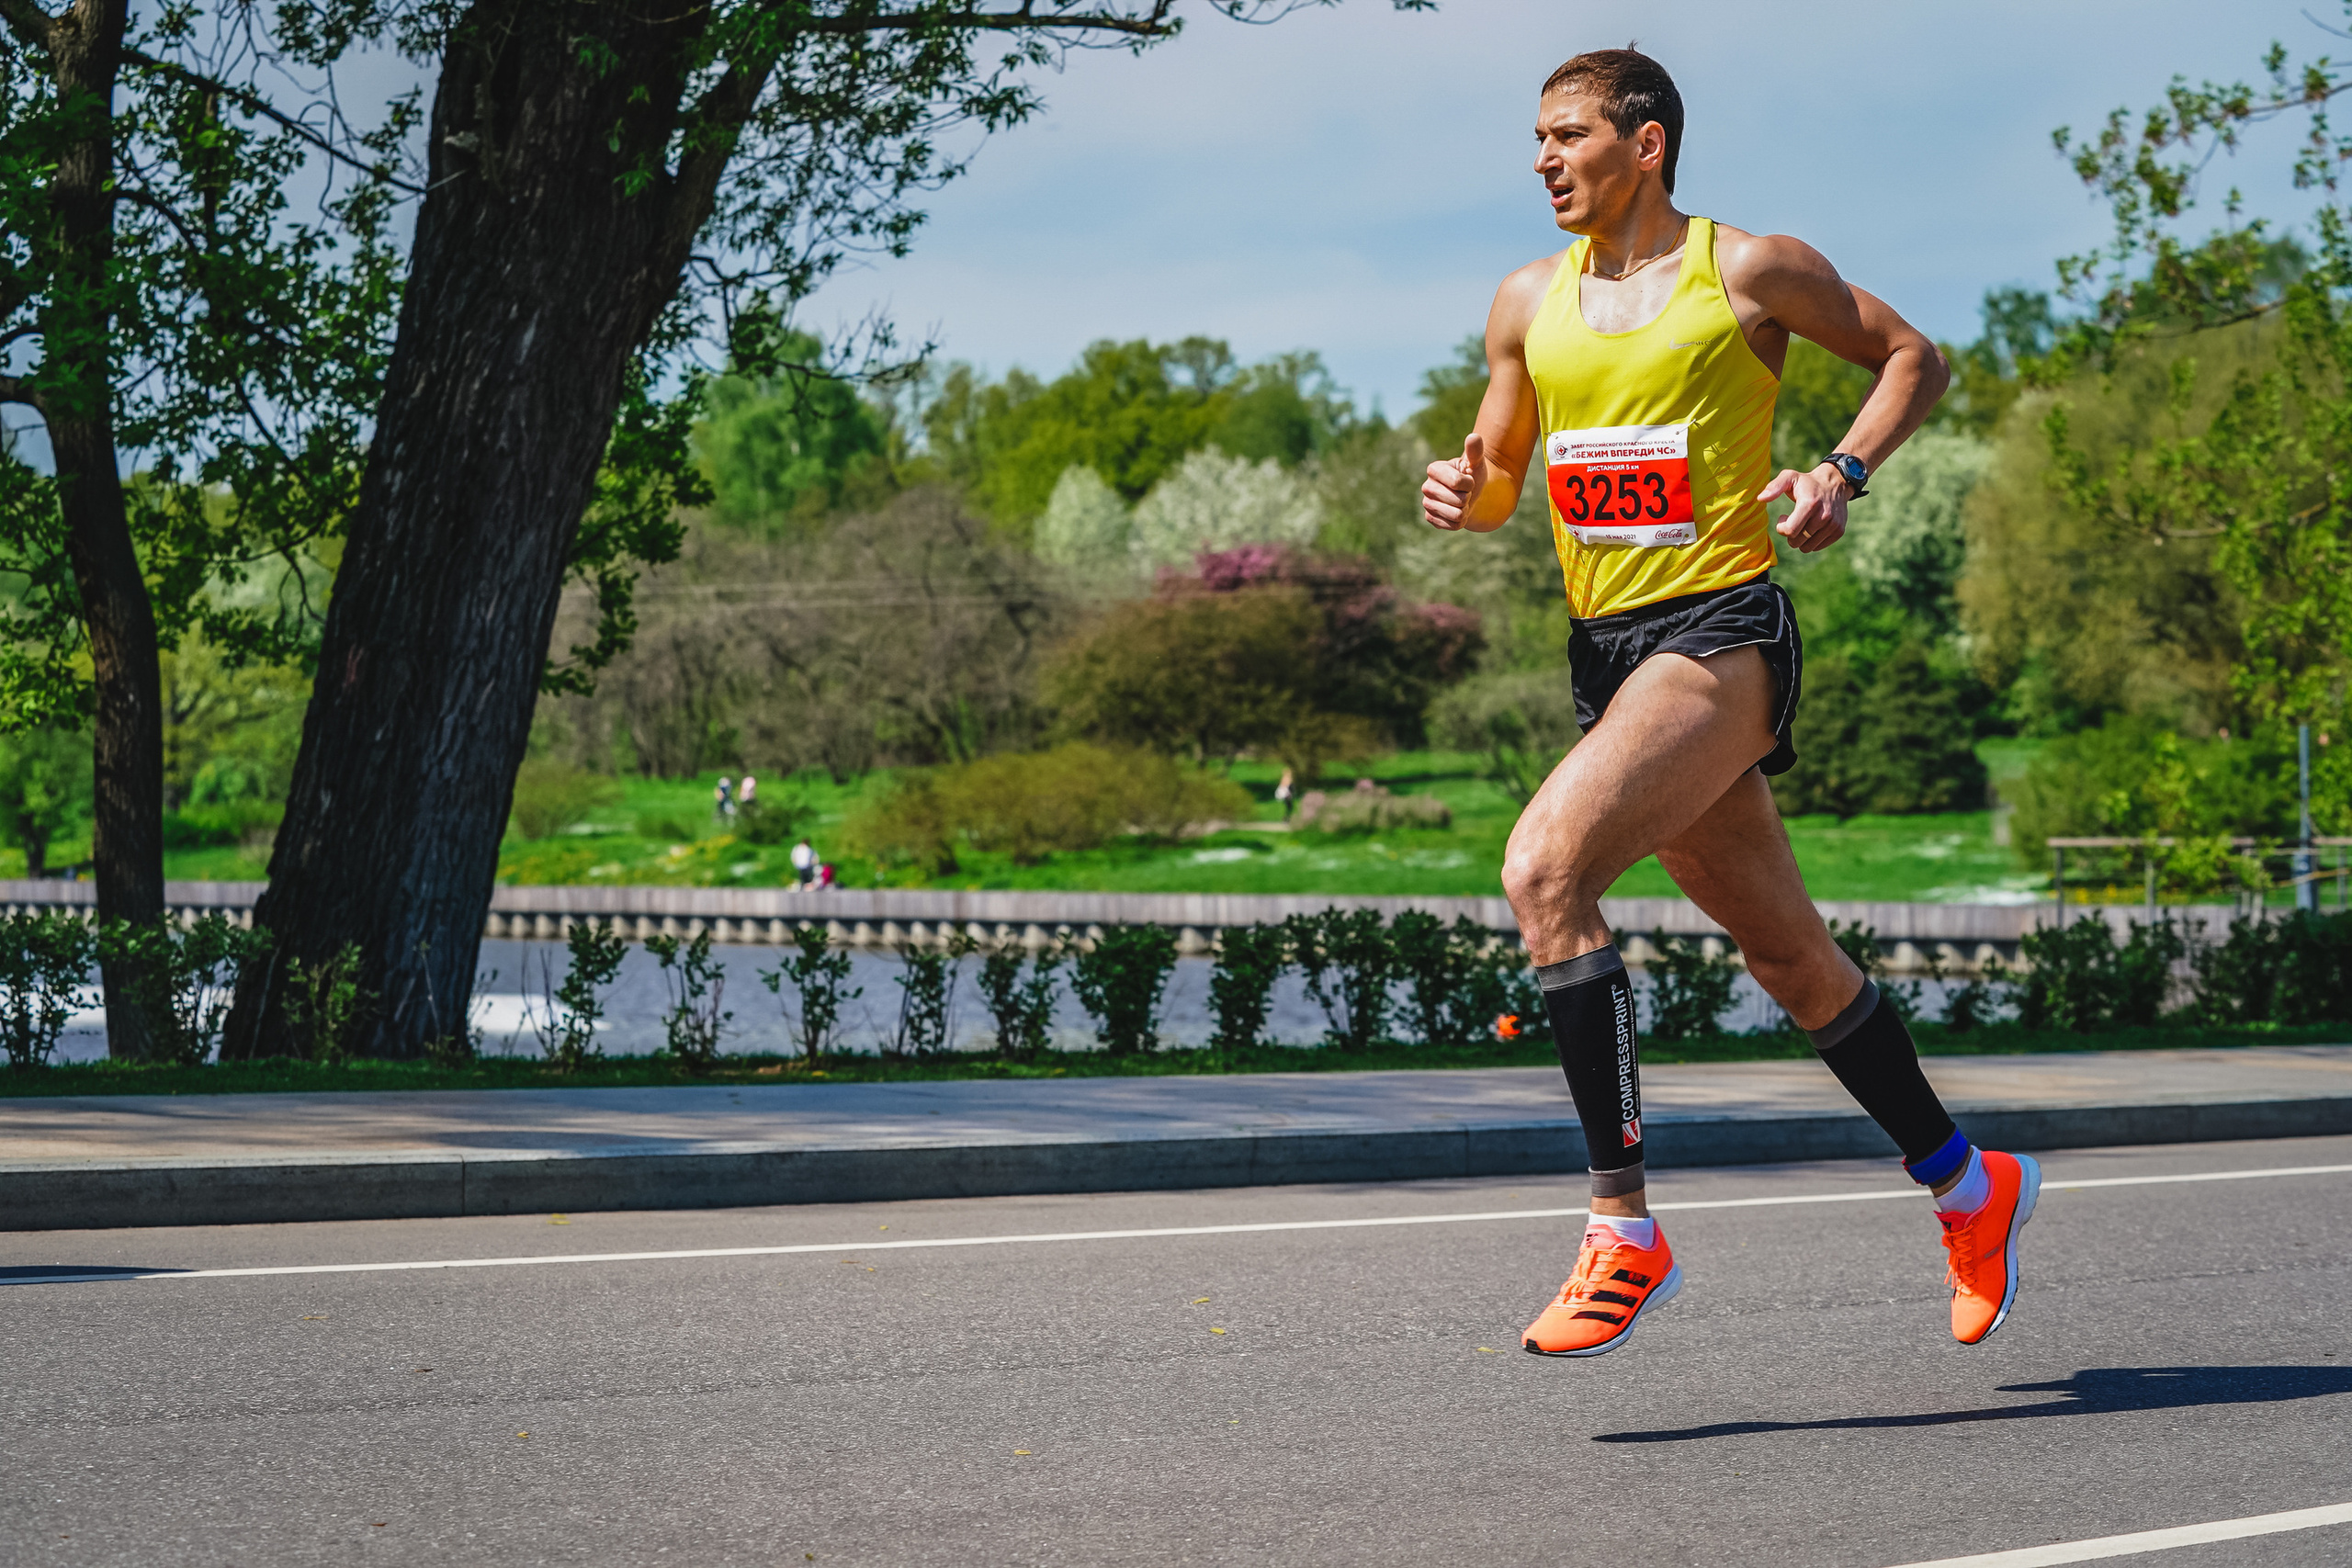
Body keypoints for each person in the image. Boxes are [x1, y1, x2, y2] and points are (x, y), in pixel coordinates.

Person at [1423, 48, 2036, 1359]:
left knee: (1542, 871)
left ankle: (1623, 1231)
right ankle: (1971, 1186)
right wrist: (1461, 489)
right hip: (1610, 656)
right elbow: (1499, 473)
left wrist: (1841, 471)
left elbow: (1913, 357)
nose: (1542, 158)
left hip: (1721, 639)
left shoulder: (1745, 270)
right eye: (1534, 137)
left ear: (1644, 146)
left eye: (1568, 133)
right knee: (1791, 960)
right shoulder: (1527, 301)